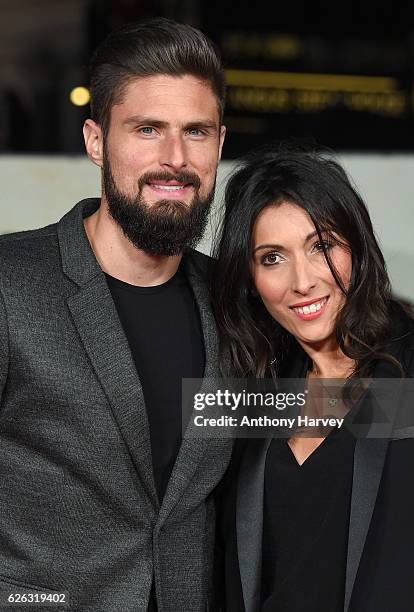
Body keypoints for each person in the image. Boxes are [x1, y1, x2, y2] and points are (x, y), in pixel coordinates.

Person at [0, 18, 232, 612]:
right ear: (97, 140)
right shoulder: (10, 282)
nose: (175, 158)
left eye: (196, 131)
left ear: (220, 144)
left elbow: (329, 415)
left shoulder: (236, 303)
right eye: (148, 129)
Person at [212, 142, 414, 612]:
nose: (303, 281)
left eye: (322, 246)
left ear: (356, 244)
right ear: (249, 277)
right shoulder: (252, 396)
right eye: (273, 258)